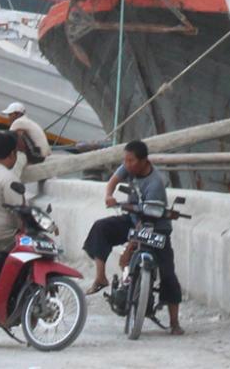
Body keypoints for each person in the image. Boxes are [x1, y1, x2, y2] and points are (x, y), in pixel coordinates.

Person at [84, 140, 182, 334]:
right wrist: (109, 195)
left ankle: (174, 322)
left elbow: (147, 222)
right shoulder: (130, 167)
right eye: (125, 161)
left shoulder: (155, 184)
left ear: (144, 161)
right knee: (101, 228)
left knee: (168, 272)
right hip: (133, 219)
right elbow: (113, 180)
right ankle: (100, 276)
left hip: (156, 228)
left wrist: (130, 247)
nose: (127, 165)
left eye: (131, 161)